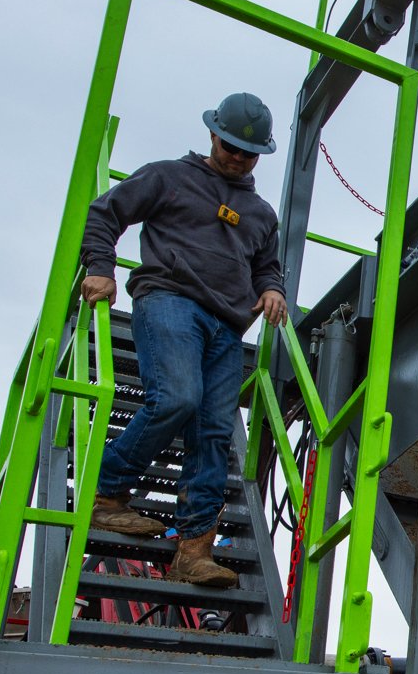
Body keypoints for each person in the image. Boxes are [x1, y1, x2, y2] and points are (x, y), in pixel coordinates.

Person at [78, 92, 289, 589]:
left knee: (214, 432)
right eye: (230, 146)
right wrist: (100, 268)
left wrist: (273, 288)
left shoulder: (260, 214)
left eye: (248, 152)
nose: (237, 157)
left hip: (228, 325)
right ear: (212, 135)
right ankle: (105, 496)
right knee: (176, 396)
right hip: (170, 299)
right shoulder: (168, 176)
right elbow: (106, 213)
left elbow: (267, 265)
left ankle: (194, 550)